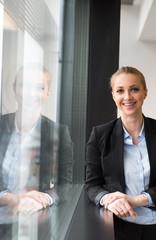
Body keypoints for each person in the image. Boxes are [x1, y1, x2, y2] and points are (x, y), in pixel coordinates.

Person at [85, 66, 156, 240]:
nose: (127, 97)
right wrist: (109, 200)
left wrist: (136, 200)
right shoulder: (100, 135)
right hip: (118, 230)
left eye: (134, 89)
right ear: (113, 95)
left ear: (145, 92)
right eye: (120, 91)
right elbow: (92, 185)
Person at [0, 65, 74, 237]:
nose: (31, 93)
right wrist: (13, 198)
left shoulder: (59, 133)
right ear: (14, 89)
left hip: (31, 221)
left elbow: (65, 184)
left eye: (40, 87)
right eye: (24, 85)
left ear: (47, 93)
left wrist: (43, 200)